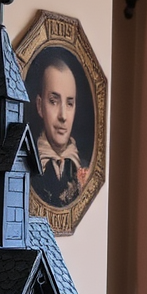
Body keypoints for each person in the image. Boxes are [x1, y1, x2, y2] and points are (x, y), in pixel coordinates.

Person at [31, 53, 87, 209]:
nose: (63, 116)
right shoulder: (27, 165)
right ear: (39, 105)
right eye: (54, 101)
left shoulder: (84, 167)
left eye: (70, 104)